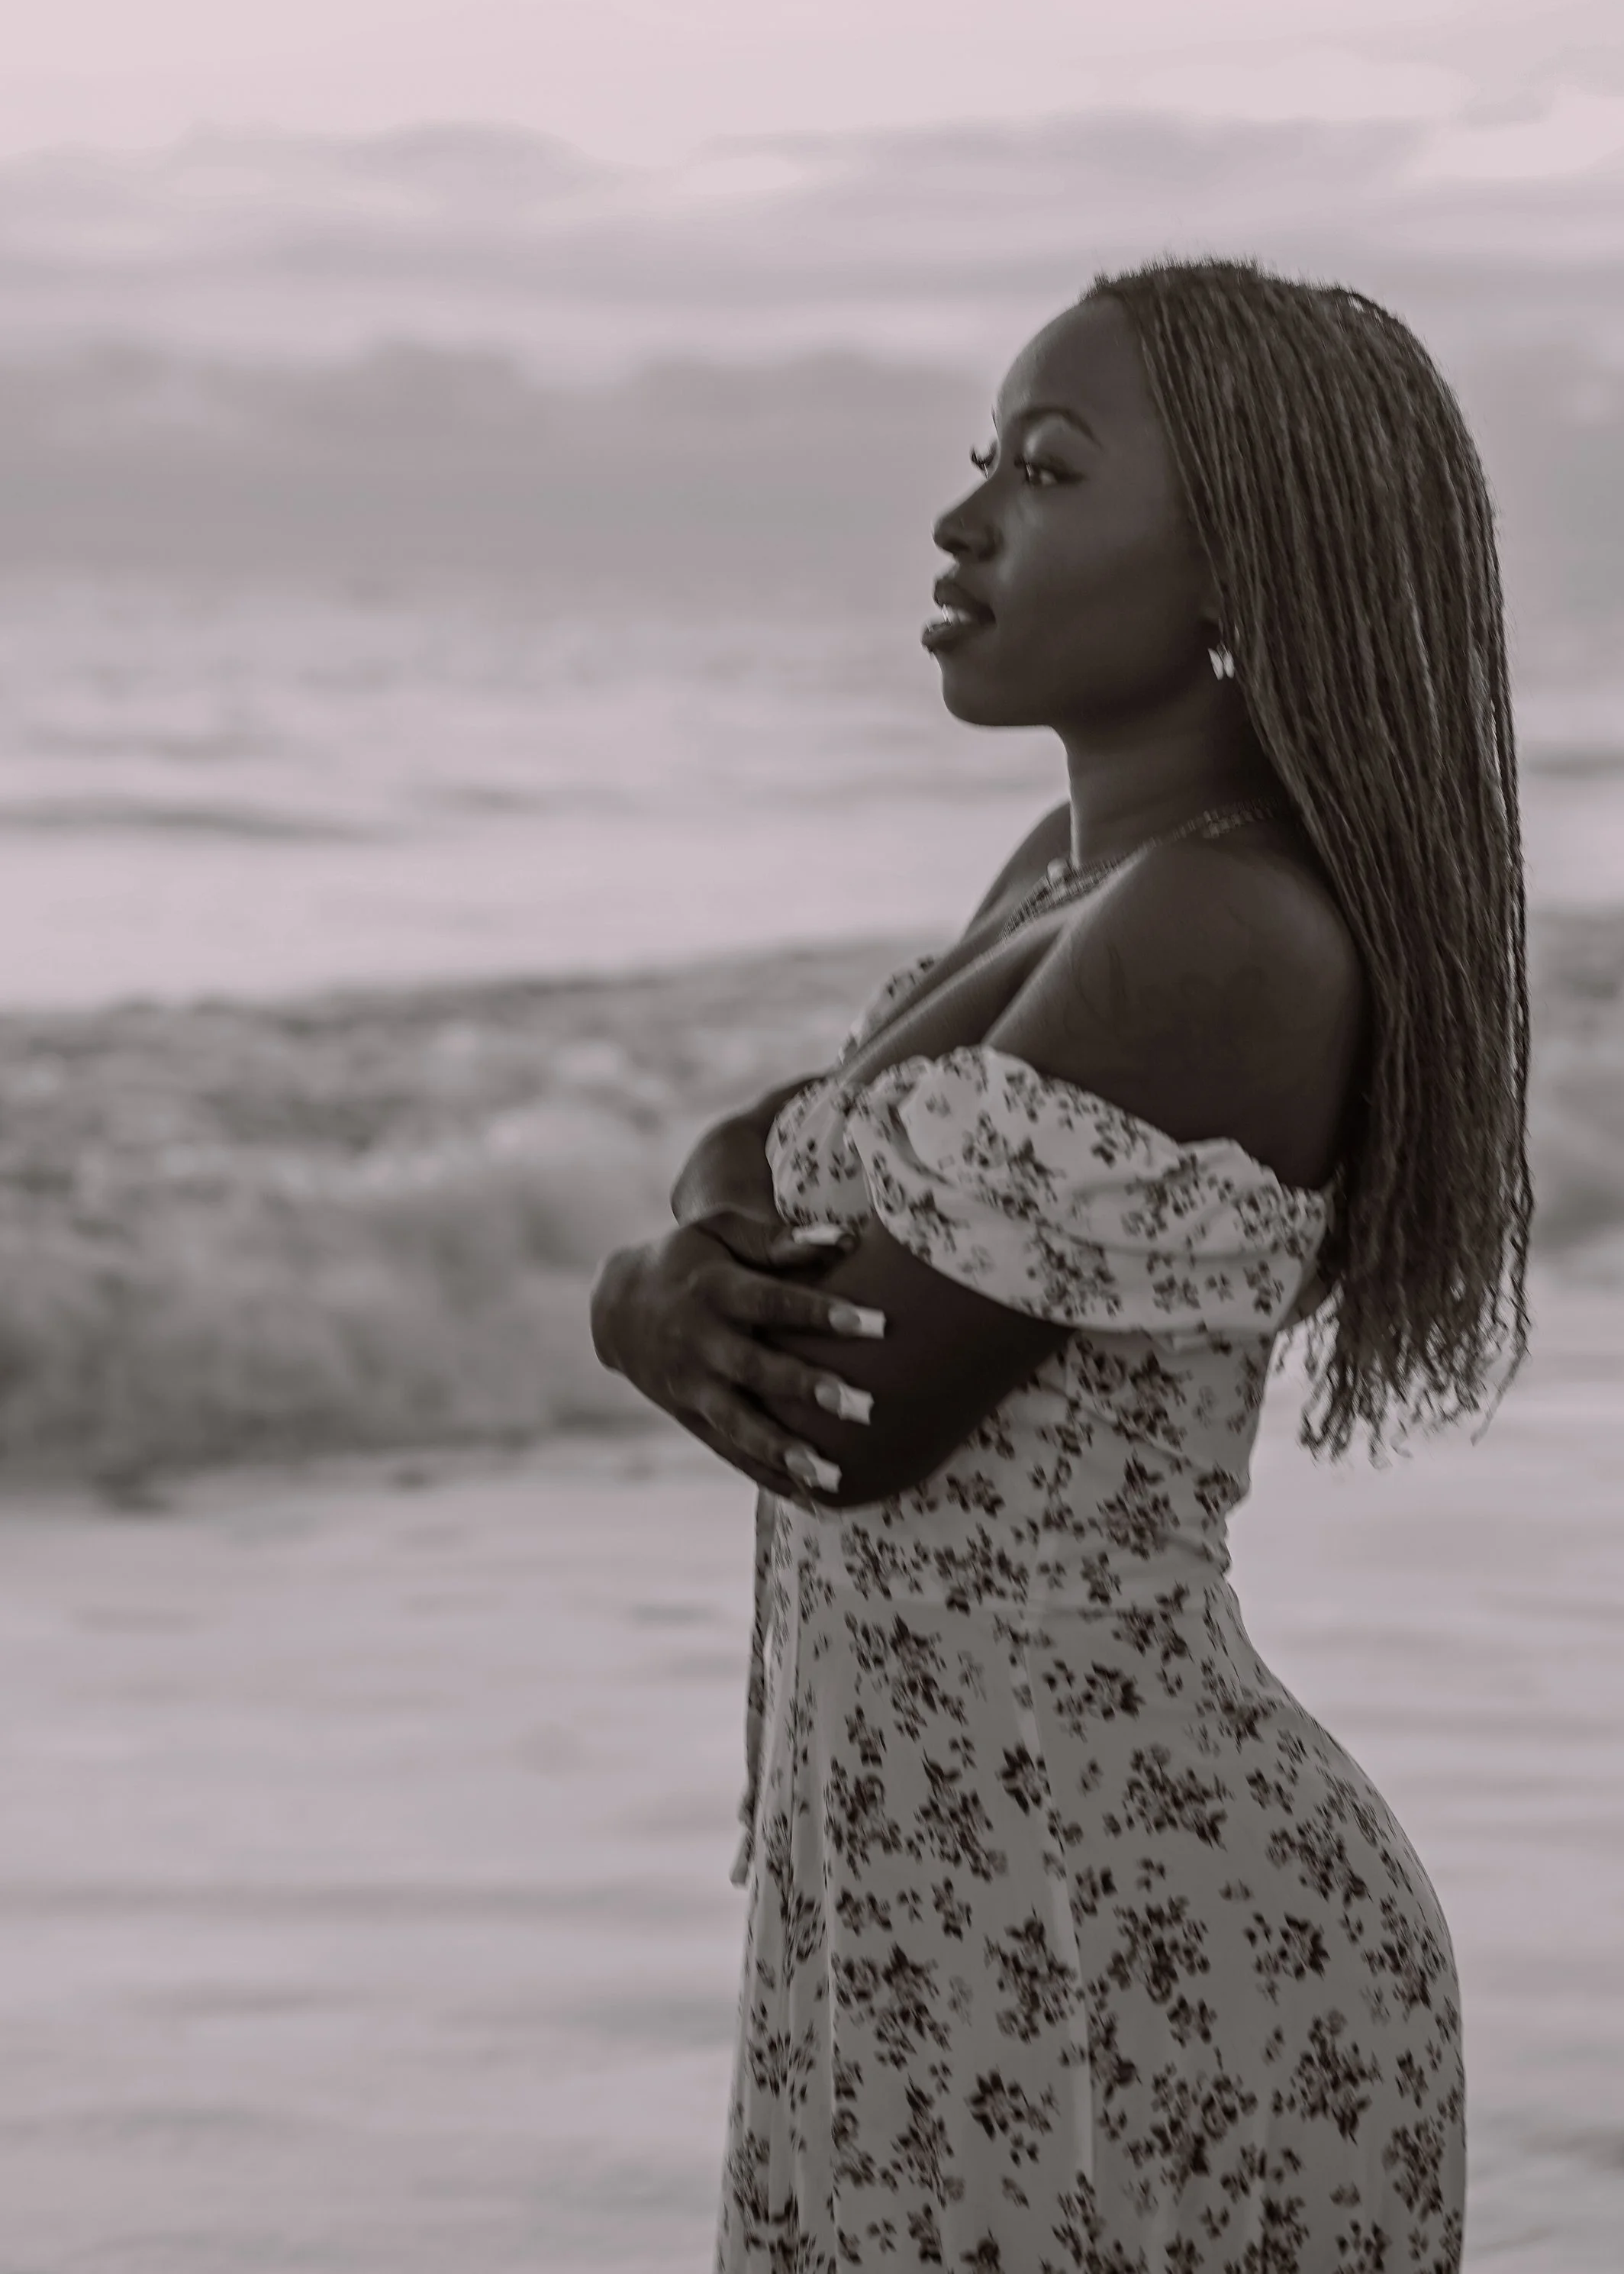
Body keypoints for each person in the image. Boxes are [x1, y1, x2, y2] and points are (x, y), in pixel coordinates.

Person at [590, 257, 1531, 2272]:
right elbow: (768, 1142)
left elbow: (844, 1406)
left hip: (1125, 1936)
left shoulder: (1218, 934)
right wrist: (680, 1257)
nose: (962, 521)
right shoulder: (1075, 876)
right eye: (983, 459)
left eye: (1046, 469)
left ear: (1240, 563)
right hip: (944, 1913)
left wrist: (640, 1296)